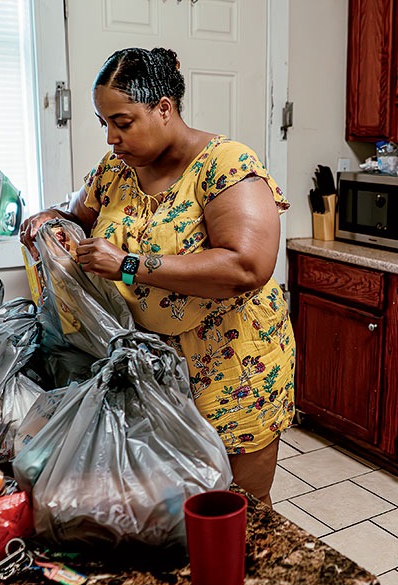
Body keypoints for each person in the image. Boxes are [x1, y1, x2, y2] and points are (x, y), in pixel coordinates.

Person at [20, 47, 295, 510]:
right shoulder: (116, 170)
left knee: (239, 507)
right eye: (103, 122)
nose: (110, 137)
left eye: (122, 122)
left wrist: (128, 263)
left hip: (228, 363)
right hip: (153, 365)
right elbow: (80, 216)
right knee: (167, 502)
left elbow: (247, 266)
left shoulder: (226, 165)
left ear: (163, 108)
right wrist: (54, 218)